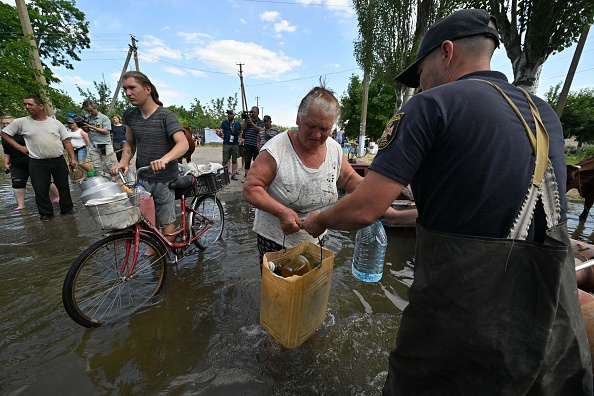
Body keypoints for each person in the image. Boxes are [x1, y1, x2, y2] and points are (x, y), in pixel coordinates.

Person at [302, 9, 592, 395]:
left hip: (459, 321)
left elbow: (362, 209)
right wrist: (402, 212)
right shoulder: (543, 115)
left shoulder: (430, 106)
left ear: (447, 53)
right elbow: (484, 206)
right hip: (542, 323)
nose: (420, 85)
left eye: (420, 73)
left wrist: (321, 219)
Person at [242, 83, 366, 264]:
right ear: (298, 119)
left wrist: (376, 192)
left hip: (316, 236)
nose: (317, 135)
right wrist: (281, 212)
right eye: (311, 126)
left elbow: (348, 178)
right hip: (276, 240)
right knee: (280, 290)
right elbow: (251, 188)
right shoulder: (276, 150)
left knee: (311, 287)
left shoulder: (334, 149)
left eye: (324, 129)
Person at [110, 71, 188, 245]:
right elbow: (130, 143)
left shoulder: (166, 116)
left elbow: (183, 144)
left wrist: (165, 159)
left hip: (165, 178)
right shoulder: (130, 115)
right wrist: (123, 162)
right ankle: (154, 246)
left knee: (167, 218)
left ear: (147, 89)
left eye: (132, 88)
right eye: (125, 89)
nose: (128, 93)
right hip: (142, 176)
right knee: (143, 217)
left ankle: (166, 255)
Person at [1, 96, 77, 221]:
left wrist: (72, 158)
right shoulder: (21, 122)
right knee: (40, 188)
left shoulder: (55, 123)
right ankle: (46, 214)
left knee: (63, 186)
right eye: (25, 104)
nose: (27, 107)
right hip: (37, 161)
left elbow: (66, 141)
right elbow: (4, 133)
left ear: (41, 106)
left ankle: (67, 210)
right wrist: (20, 148)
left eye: (30, 104)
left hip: (58, 159)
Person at [82, 100, 115, 174]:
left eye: (91, 110)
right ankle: (101, 182)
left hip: (104, 145)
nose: (90, 113)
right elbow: (87, 131)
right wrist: (83, 126)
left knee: (109, 165)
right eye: (88, 111)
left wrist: (91, 127)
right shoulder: (87, 118)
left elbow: (106, 131)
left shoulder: (104, 118)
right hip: (93, 145)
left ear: (95, 108)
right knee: (97, 166)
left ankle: (114, 182)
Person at [240, 106, 263, 182]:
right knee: (247, 160)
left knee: (256, 161)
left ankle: (256, 176)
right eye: (251, 112)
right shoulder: (247, 120)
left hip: (256, 144)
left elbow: (259, 130)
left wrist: (252, 123)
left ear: (258, 113)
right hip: (247, 143)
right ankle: (246, 176)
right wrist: (246, 122)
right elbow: (242, 129)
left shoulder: (260, 122)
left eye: (254, 112)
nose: (252, 113)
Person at [217, 109, 241, 180]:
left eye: (231, 114)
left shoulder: (237, 124)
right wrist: (220, 132)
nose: (229, 115)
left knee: (234, 160)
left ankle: (233, 174)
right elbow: (221, 130)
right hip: (226, 143)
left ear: (234, 115)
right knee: (224, 160)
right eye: (228, 114)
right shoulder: (224, 123)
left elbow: (239, 133)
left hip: (235, 144)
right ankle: (223, 174)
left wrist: (235, 132)